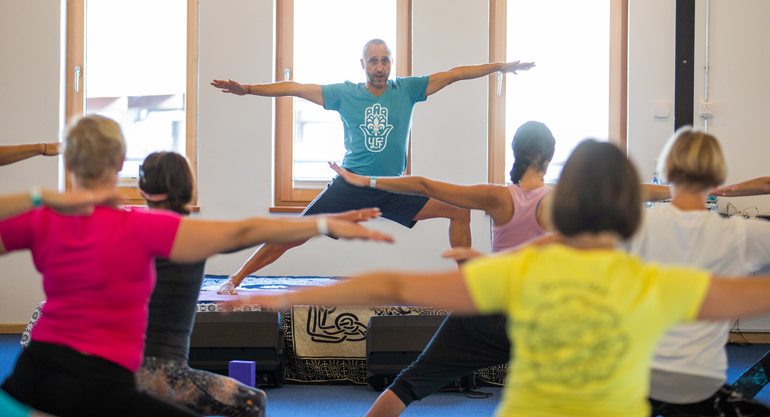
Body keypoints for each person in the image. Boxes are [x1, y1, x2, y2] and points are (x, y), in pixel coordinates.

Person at [232, 138, 770, 417]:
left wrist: (281, 299)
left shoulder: (526, 265)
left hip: (488, 315)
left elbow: (393, 287)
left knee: (409, 384)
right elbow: (740, 295)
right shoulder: (645, 282)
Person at [0, 114, 393, 417]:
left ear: (68, 162)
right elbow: (240, 231)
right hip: (104, 380)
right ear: (120, 162)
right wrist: (321, 221)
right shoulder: (144, 226)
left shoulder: (43, 218)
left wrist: (37, 197)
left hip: (36, 368)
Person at [331, 121, 669, 417]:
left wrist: (364, 181)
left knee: (409, 383)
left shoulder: (496, 197)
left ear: (516, 153)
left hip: (483, 308)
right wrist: (689, 192)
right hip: (534, 316)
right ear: (549, 157)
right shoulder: (557, 200)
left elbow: (423, 184)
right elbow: (630, 192)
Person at [212, 38, 535, 293]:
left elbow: (455, 74)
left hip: (392, 187)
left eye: (385, 60)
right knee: (296, 232)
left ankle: (469, 286)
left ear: (390, 63)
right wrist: (249, 90)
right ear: (363, 64)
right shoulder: (344, 94)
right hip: (352, 184)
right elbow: (295, 88)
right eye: (373, 61)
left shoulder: (407, 90)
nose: (380, 67)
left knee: (458, 209)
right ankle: (236, 278)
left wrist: (500, 67)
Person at [134, 151, 379, 417]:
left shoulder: (123, 228)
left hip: (113, 367)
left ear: (142, 188)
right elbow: (249, 231)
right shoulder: (194, 235)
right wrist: (323, 222)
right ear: (188, 189)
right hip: (164, 375)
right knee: (252, 402)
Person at [625, 128, 770, 417]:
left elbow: (616, 192)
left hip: (638, 380)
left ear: (666, 172)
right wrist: (725, 188)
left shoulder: (636, 227)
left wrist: (677, 188)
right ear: (717, 177)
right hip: (700, 385)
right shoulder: (739, 233)